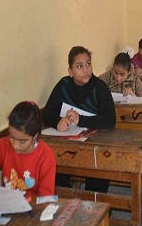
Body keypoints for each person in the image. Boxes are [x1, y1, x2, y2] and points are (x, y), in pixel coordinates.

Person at [43, 46, 115, 192]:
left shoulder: (99, 87)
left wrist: (80, 120)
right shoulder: (63, 85)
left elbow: (109, 120)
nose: (86, 70)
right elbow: (47, 113)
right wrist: (57, 122)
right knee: (55, 173)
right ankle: (68, 201)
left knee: (97, 180)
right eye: (80, 66)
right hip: (68, 145)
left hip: (95, 146)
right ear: (70, 71)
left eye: (88, 64)